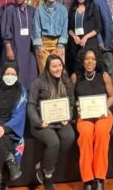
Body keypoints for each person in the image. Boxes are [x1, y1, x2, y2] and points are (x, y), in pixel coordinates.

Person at [28, 54, 76, 190]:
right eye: (54, 66)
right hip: (43, 123)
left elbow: (71, 102)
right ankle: (48, 177)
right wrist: (38, 122)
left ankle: (43, 165)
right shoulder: (38, 83)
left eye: (59, 65)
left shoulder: (66, 82)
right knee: (53, 142)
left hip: (61, 121)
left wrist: (68, 116)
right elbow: (31, 105)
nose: (57, 69)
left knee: (69, 137)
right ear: (48, 68)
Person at [71, 49, 113, 190]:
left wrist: (105, 107)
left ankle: (100, 178)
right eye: (87, 59)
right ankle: (88, 180)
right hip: (85, 116)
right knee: (85, 135)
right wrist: (77, 108)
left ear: (97, 61)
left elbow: (112, 97)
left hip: (103, 114)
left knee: (102, 133)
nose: (90, 62)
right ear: (82, 61)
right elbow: (72, 99)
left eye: (93, 59)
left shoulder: (104, 76)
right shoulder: (75, 77)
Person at [1, 0, 38, 88]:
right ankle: (18, 99)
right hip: (15, 47)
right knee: (18, 73)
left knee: (31, 73)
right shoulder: (9, 10)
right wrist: (8, 49)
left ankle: (29, 98)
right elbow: (6, 30)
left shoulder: (32, 10)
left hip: (29, 49)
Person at [32, 0, 69, 72]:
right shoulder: (39, 9)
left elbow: (64, 28)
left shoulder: (63, 9)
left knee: (58, 70)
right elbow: (36, 28)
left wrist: (61, 45)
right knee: (44, 71)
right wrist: (39, 46)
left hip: (58, 43)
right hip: (43, 43)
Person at [68, 0, 102, 74]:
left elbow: (98, 28)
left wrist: (86, 37)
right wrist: (74, 36)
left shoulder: (92, 6)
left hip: (90, 42)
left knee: (89, 67)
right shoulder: (73, 8)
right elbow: (69, 28)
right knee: (76, 68)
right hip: (75, 43)